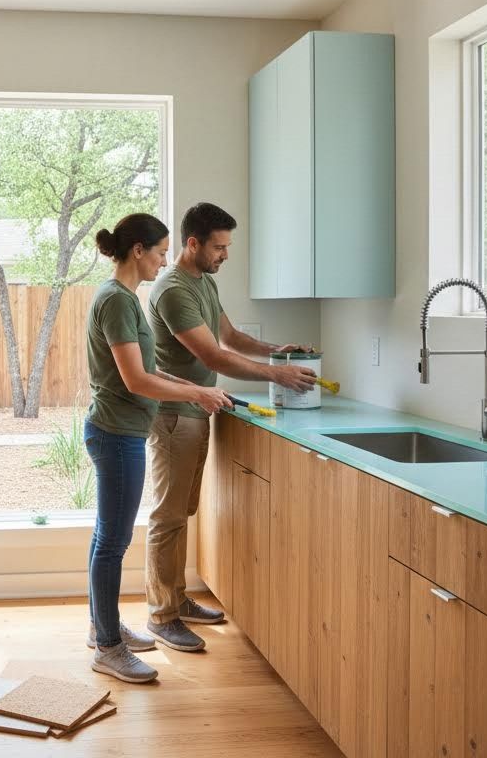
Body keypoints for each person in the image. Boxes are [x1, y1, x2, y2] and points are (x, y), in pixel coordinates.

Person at [145, 202, 316, 652]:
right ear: (193, 243)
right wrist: (277, 375)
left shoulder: (204, 282)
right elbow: (213, 356)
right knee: (168, 516)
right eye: (219, 247)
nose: (225, 255)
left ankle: (176, 601)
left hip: (195, 412)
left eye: (227, 246)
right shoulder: (173, 289)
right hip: (173, 415)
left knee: (181, 513)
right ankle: (162, 615)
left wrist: (278, 352)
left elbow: (232, 338)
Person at [84, 212, 233, 684]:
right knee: (112, 543)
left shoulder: (124, 298)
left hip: (120, 430)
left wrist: (197, 390)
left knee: (106, 538)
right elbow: (136, 380)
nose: (164, 261)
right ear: (138, 251)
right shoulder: (117, 300)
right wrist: (197, 391)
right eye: (161, 252)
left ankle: (102, 629)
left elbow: (150, 369)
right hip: (117, 433)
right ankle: (109, 647)